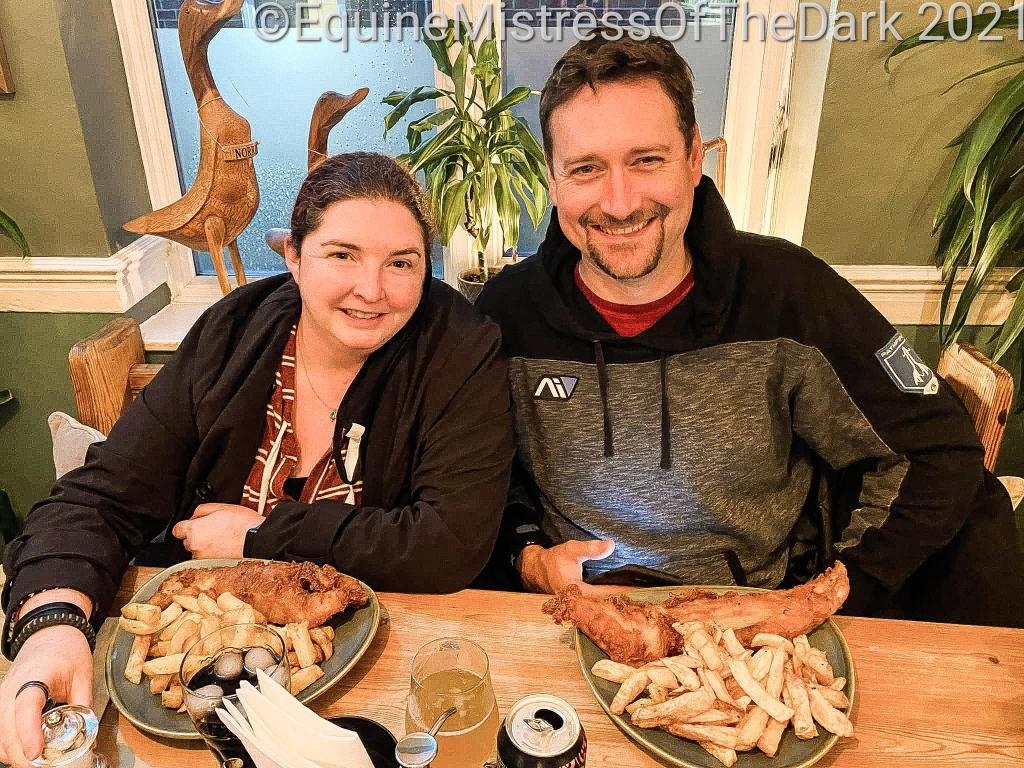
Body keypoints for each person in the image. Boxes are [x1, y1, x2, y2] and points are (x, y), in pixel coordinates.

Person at [477, 32, 1024, 623]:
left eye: (647, 160)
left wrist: (830, 595)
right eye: (586, 168)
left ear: (695, 158)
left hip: (760, 626)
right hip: (574, 616)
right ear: (552, 178)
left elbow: (935, 450)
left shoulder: (791, 295)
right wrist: (529, 561)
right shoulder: (506, 313)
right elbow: (475, 478)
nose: (619, 202)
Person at [0, 152, 514, 767]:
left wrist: (261, 536)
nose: (372, 290)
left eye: (401, 262)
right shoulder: (233, 333)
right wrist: (52, 629)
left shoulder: (460, 348)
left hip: (378, 686)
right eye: (342, 254)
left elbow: (451, 541)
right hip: (195, 702)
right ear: (293, 256)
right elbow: (102, 495)